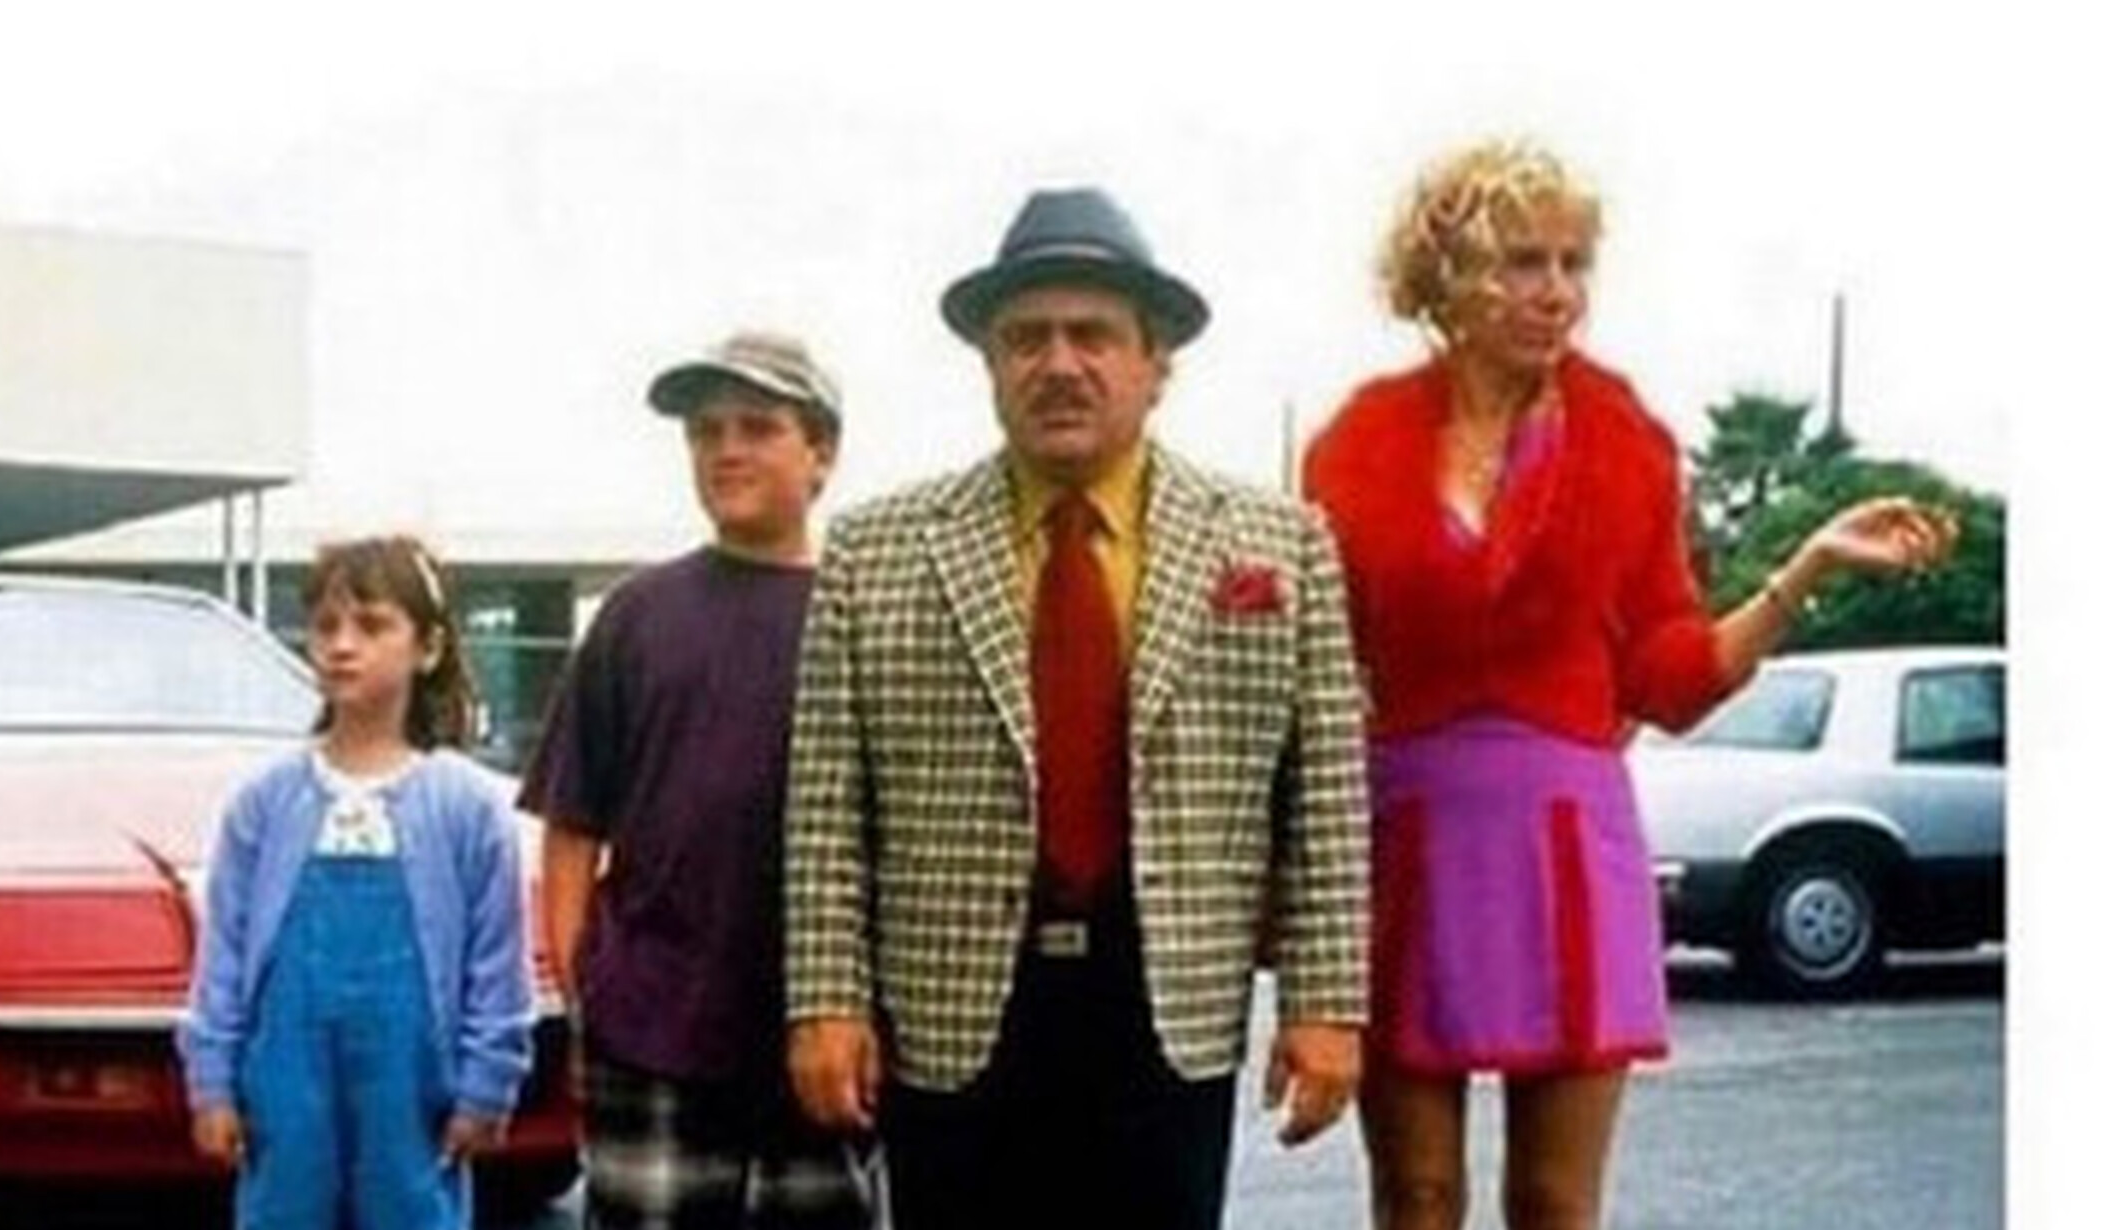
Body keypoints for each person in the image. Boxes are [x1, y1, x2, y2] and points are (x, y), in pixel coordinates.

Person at [1301, 139, 1958, 1230]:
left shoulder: (1626, 439)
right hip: (1405, 846)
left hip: (1570, 844)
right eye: (1523, 261)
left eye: (1573, 264)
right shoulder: (1355, 442)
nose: (1556, 291)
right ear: (1446, 275)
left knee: (1554, 1204)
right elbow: (1319, 668)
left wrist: (1805, 568)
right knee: (1414, 1199)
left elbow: (1672, 676)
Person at [785, 186, 1374, 1230]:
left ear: (1156, 363)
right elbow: (826, 807)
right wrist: (826, 998)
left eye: (1092, 335)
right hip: (949, 1007)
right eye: (1027, 338)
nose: (1058, 363)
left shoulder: (1279, 545)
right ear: (989, 364)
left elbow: (1324, 795)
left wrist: (1326, 1002)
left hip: (1169, 1004)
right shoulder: (876, 552)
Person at [519, 330, 879, 1229]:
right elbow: (572, 825)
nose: (726, 450)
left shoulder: (868, 616)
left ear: (822, 452)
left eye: (757, 427)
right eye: (705, 432)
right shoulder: (636, 616)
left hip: (821, 1040)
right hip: (649, 1034)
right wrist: (587, 993)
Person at [179, 535, 535, 1230]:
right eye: (326, 626)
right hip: (284, 1083)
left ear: (428, 647)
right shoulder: (265, 802)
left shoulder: (467, 806)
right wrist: (212, 1083)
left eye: (371, 626)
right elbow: (222, 957)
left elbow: (498, 964)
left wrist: (487, 1086)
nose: (343, 646)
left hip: (415, 1088)